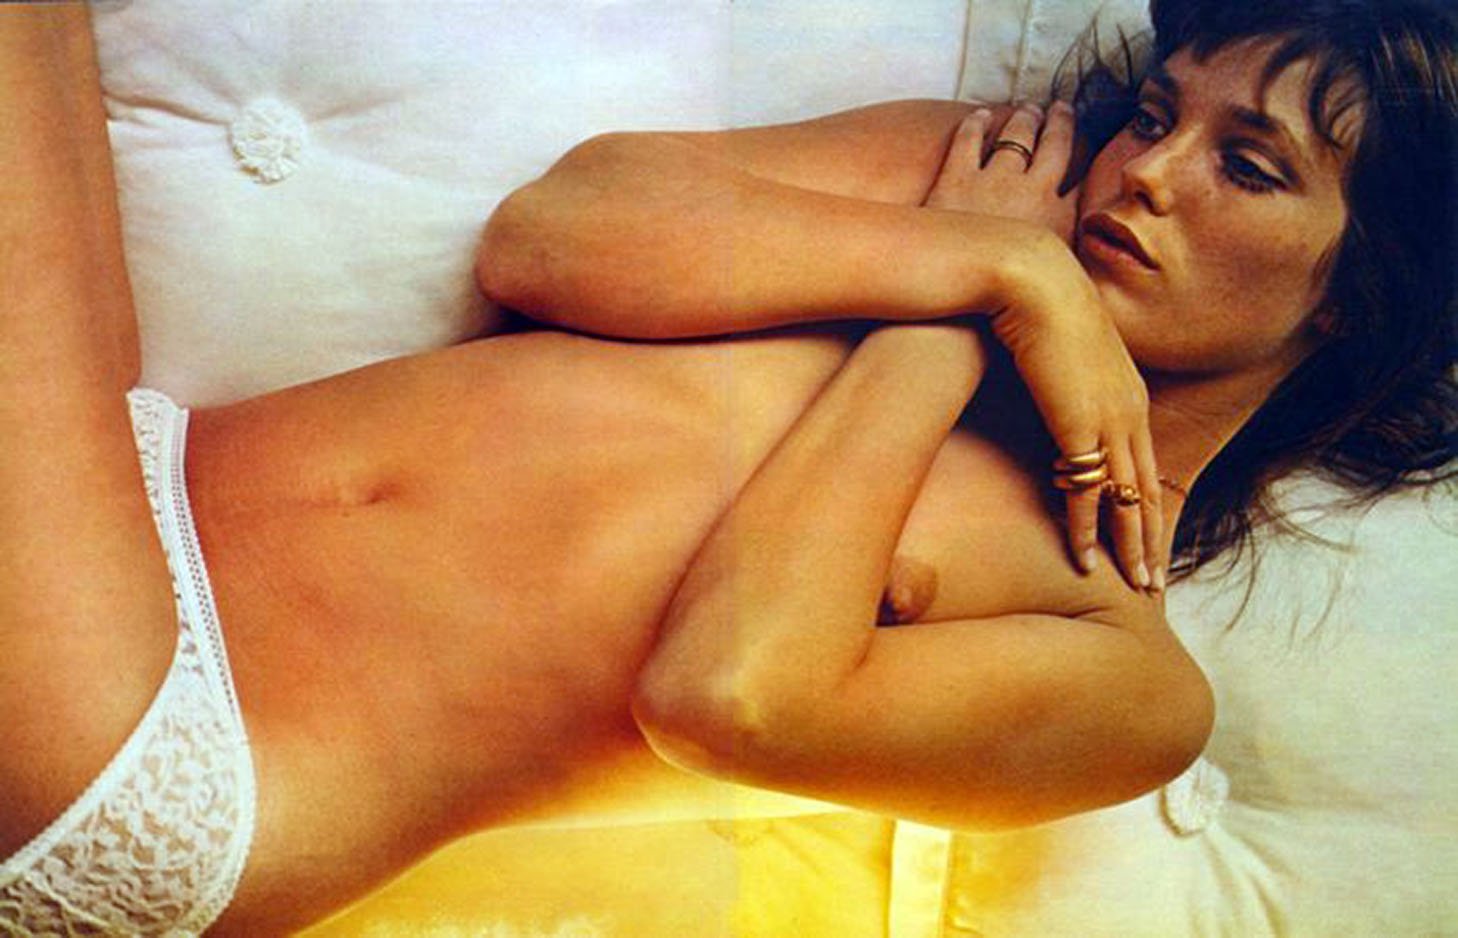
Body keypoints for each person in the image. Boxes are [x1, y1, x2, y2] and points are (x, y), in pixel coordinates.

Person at [1, 2, 1452, 936]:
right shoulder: (982, 191)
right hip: (127, 483)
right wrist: (984, 259)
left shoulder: (1121, 675)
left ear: (1361, 300)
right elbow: (554, 232)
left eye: (1246, 167)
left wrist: (963, 311)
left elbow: (728, 694)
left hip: (168, 747)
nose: (1144, 171)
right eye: (1157, 112)